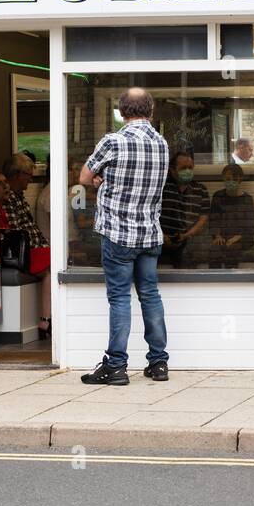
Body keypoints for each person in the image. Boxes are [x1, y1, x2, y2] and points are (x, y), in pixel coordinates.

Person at [78, 87, 171, 385]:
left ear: (121, 112)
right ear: (151, 111)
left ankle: (116, 366)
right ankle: (158, 364)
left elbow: (83, 176)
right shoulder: (162, 144)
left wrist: (99, 180)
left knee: (119, 298)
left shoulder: (113, 142)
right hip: (149, 233)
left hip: (118, 233)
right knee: (150, 295)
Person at [2, 153, 52, 337]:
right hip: (26, 253)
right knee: (55, 263)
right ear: (16, 174)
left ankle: (48, 318)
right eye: (28, 175)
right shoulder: (9, 199)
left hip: (36, 248)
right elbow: (15, 232)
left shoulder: (19, 196)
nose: (31, 180)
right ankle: (46, 319)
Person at [208, 164, 254, 268]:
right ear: (223, 179)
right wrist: (217, 235)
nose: (231, 181)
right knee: (214, 251)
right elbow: (213, 219)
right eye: (228, 179)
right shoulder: (218, 196)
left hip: (242, 239)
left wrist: (237, 238)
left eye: (234, 179)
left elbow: (252, 227)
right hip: (222, 238)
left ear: (240, 179)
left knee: (232, 250)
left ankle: (231, 280)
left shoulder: (247, 199)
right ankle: (214, 280)